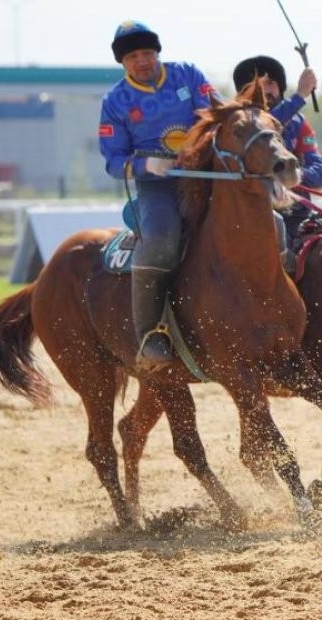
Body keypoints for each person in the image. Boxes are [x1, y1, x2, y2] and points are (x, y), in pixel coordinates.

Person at [99, 20, 219, 370]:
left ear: (157, 52)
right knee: (161, 239)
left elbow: (212, 116)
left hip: (205, 174)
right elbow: (112, 162)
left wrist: (198, 151)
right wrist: (147, 164)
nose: (143, 61)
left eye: (148, 52)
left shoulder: (189, 75)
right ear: (123, 62)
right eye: (134, 56)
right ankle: (150, 334)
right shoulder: (115, 101)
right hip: (157, 187)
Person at [232, 55, 322, 271]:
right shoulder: (238, 124)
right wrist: (300, 96)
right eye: (257, 85)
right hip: (252, 215)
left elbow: (318, 173)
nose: (265, 90)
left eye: (271, 83)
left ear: (280, 87)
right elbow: (263, 123)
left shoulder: (300, 124)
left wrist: (291, 175)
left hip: (299, 217)